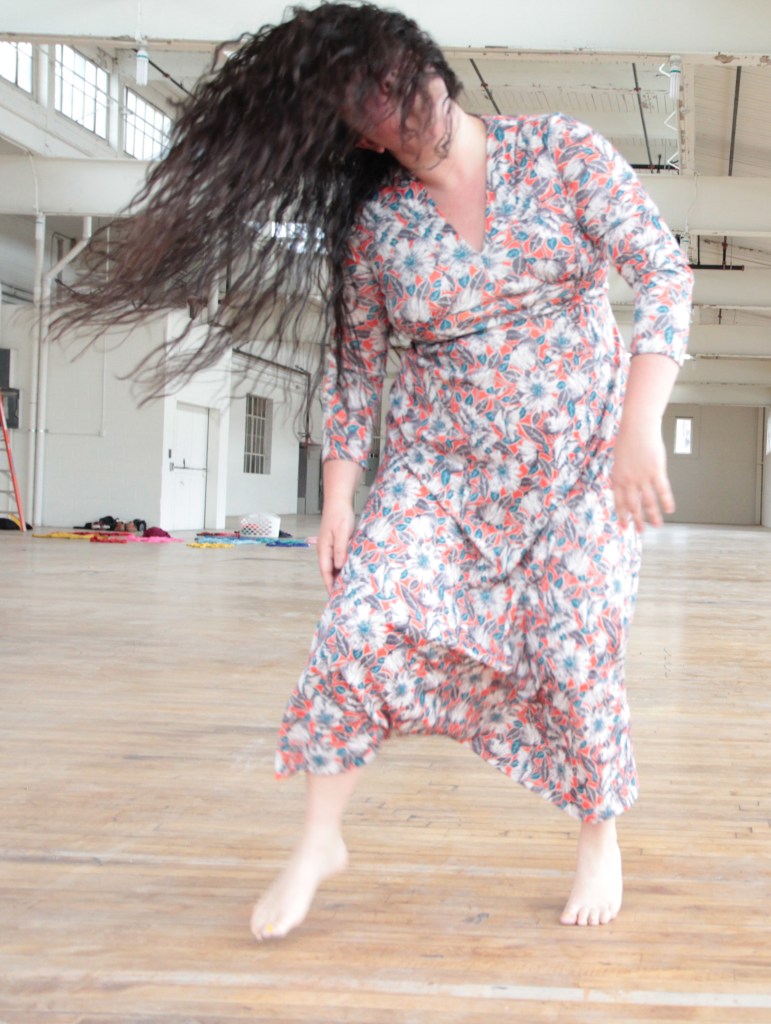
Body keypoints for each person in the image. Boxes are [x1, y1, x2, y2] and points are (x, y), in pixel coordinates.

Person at [57, 2, 692, 937]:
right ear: (354, 135)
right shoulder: (380, 230)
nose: (400, 107)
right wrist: (339, 502)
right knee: (357, 626)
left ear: (433, 67)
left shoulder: (561, 153)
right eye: (372, 105)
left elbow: (663, 273)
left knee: (573, 650)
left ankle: (598, 831)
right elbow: (355, 368)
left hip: (576, 472)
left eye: (403, 81)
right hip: (439, 481)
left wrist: (641, 426)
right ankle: (320, 838)